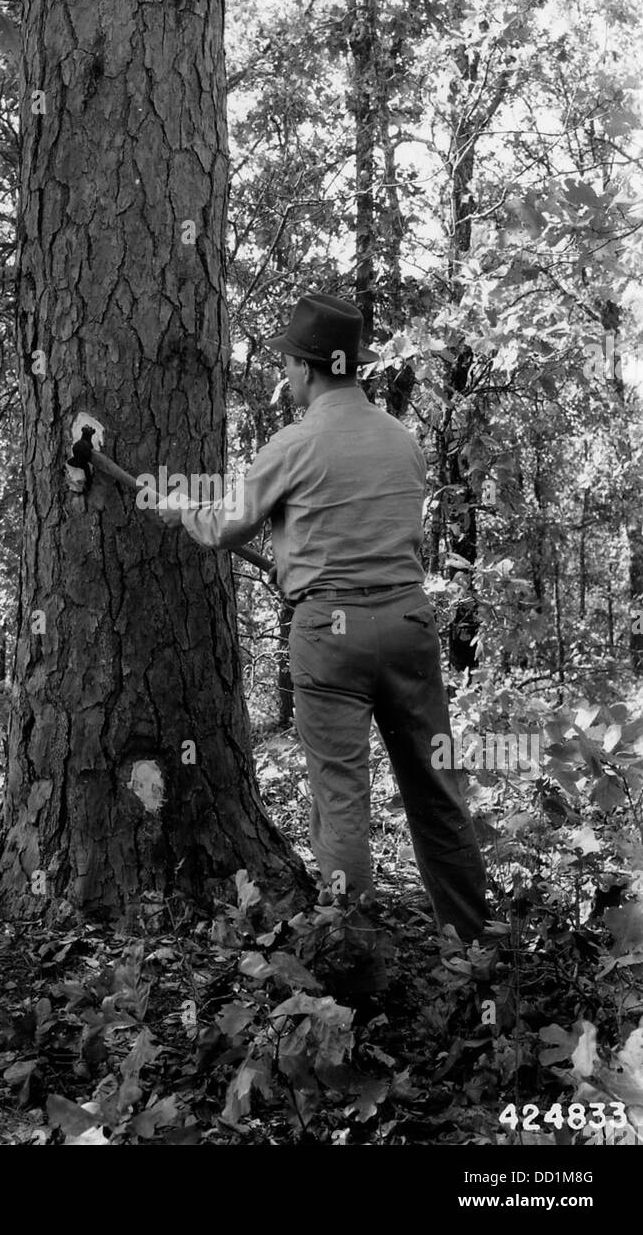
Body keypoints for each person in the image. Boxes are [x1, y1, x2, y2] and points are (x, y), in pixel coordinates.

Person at [157, 292, 489, 996]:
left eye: (287, 360)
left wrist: (180, 504)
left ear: (304, 368)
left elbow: (221, 528)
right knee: (436, 786)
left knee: (341, 800)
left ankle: (352, 976)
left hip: (330, 633)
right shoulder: (401, 439)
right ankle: (474, 955)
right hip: (406, 625)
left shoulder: (296, 443)